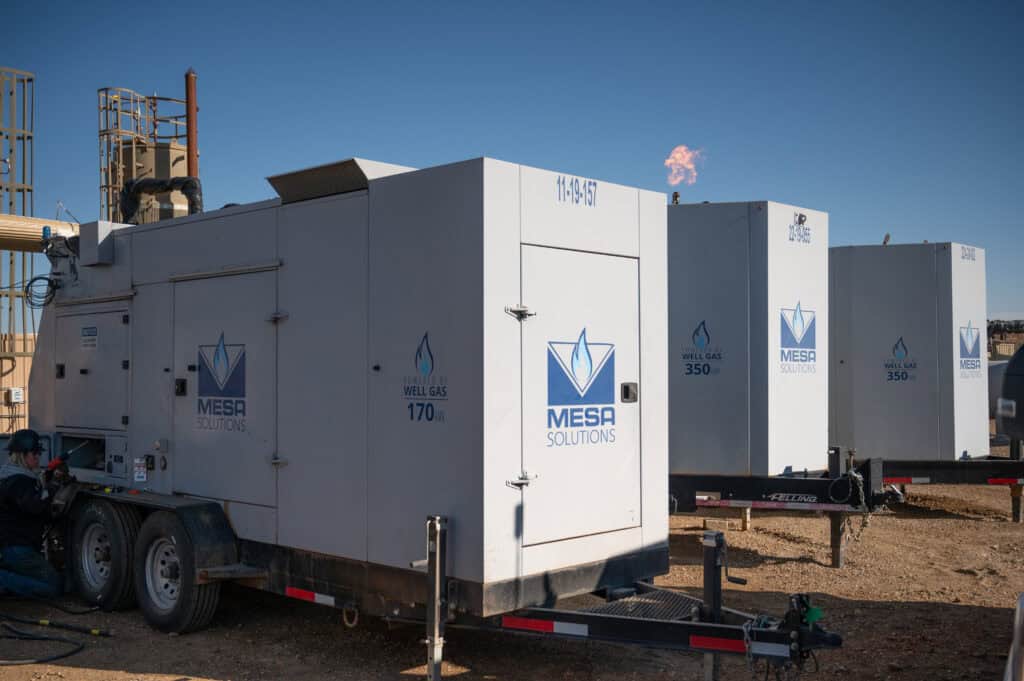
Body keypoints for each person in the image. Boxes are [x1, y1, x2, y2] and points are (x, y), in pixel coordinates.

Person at [0, 429, 62, 598]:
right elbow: (35, 505)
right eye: (35, 453)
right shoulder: (18, 481)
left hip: (13, 548)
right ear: (22, 455)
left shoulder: (12, 476)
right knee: (53, 586)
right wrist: (53, 485)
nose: (38, 457)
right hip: (17, 549)